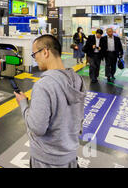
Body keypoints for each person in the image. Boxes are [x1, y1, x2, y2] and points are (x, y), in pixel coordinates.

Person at [14, 34, 86, 168]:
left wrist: (23, 103)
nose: (35, 59)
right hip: (70, 157)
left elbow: (37, 128)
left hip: (46, 161)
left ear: (45, 52)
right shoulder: (78, 80)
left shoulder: (44, 85)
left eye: (35, 54)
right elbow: (79, 119)